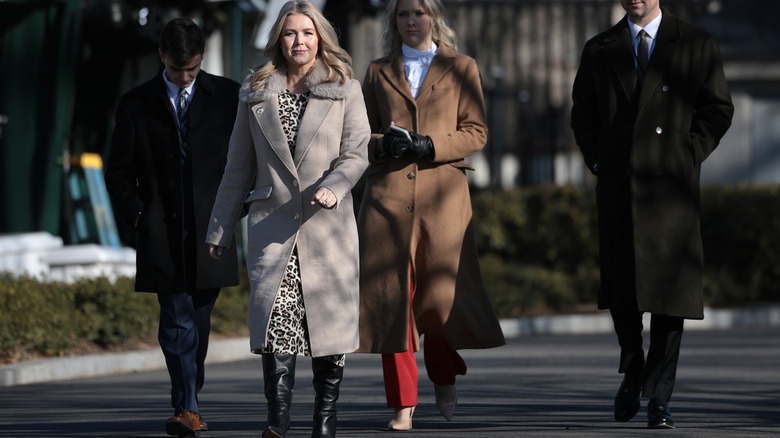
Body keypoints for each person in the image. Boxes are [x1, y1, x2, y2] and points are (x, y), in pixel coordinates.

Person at [205, 1, 370, 437]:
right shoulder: (256, 90)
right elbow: (237, 166)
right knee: (277, 323)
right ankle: (277, 421)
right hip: (272, 226)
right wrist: (220, 227)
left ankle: (324, 420)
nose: (300, 41)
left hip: (327, 228)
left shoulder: (345, 88)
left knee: (327, 330)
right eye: (292, 33)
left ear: (321, 39)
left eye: (308, 33)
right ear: (279, 38)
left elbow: (357, 153)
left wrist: (335, 185)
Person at [570, 0, 733, 429]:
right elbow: (582, 114)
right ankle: (632, 369)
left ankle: (659, 398)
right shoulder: (600, 48)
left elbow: (718, 108)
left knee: (669, 298)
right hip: (619, 187)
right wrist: (599, 160)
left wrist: (688, 154)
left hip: (670, 190)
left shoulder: (696, 43)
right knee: (623, 292)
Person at [357, 0, 506, 431]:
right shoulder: (376, 71)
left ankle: (443, 375)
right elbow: (359, 134)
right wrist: (384, 145)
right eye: (403, 15)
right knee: (392, 304)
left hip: (443, 199)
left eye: (418, 13)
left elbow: (475, 131)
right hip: (386, 201)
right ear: (394, 21)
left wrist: (430, 146)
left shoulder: (462, 66)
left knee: (438, 301)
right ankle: (403, 405)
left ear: (432, 18)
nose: (410, 22)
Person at [105, 18, 241, 437]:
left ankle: (189, 399)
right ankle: (186, 407)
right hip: (161, 229)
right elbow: (119, 173)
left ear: (201, 59)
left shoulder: (228, 97)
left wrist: (234, 211)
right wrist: (139, 219)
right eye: (178, 69)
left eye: (193, 69)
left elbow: (246, 162)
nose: (185, 78)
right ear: (161, 56)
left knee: (198, 324)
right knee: (176, 321)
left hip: (211, 231)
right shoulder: (135, 103)